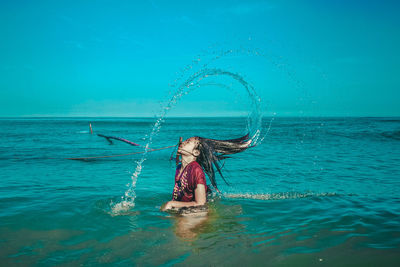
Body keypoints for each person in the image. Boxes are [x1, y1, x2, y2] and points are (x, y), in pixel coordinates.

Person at [162, 134, 251, 211]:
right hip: (184, 209)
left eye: (188, 142)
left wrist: (171, 204)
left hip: (197, 212)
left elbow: (201, 204)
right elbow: (177, 161)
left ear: (196, 152)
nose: (183, 143)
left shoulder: (196, 170)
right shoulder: (180, 167)